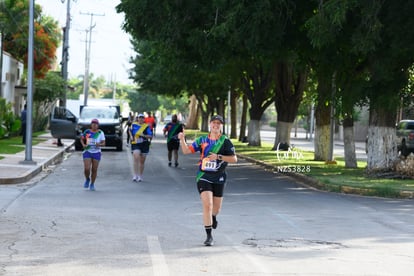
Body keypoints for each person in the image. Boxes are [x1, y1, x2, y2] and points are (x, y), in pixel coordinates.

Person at [178, 115, 237, 246]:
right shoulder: (202, 140)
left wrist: (218, 156)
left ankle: (213, 217)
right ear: (210, 124)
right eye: (214, 123)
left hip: (219, 177)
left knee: (216, 209)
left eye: (218, 123)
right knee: (207, 205)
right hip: (203, 176)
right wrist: (182, 139)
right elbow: (186, 150)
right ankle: (209, 236)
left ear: (221, 126)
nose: (216, 125)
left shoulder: (225, 141)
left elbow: (234, 159)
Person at [80, 118, 106, 191]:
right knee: (87, 168)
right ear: (91, 125)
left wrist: (99, 144)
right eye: (93, 123)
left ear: (98, 125)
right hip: (87, 151)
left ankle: (92, 184)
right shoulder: (87, 131)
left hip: (96, 152)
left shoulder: (100, 133)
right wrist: (83, 145)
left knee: (94, 169)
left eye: (96, 124)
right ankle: (87, 179)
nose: (94, 125)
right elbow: (81, 138)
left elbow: (104, 143)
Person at [129, 114, 153, 182]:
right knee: (136, 156)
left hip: (144, 144)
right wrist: (131, 136)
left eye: (142, 118)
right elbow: (129, 130)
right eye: (140, 118)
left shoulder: (146, 127)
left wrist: (144, 135)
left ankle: (140, 176)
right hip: (135, 143)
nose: (141, 119)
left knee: (142, 161)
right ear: (138, 118)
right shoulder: (134, 125)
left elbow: (150, 136)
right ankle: (135, 175)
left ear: (144, 119)